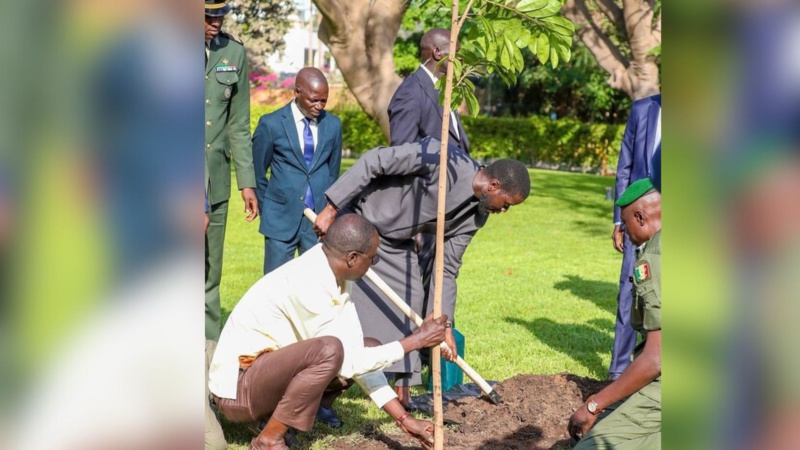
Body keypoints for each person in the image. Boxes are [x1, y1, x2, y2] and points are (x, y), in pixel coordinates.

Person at [313, 137, 530, 406]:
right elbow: (375, 160)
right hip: (360, 222)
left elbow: (447, 267)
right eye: (506, 203)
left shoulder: (478, 215)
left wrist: (444, 324)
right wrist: (331, 208)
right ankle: (321, 395)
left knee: (412, 305)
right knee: (337, 311)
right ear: (494, 186)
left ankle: (403, 393)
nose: (504, 210)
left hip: (395, 243)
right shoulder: (441, 157)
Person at [209, 215, 447, 450]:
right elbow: (347, 363)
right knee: (329, 351)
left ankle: (275, 419)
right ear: (352, 258)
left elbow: (356, 354)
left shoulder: (338, 277)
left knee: (368, 346)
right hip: (238, 391)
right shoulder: (307, 281)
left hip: (263, 376)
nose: (373, 264)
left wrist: (403, 419)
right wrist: (417, 340)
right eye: (372, 259)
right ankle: (268, 440)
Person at [569, 177, 661, 449]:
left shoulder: (656, 259)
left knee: (591, 446)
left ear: (641, 217)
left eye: (626, 221)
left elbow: (656, 359)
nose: (623, 230)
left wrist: (593, 405)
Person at [252, 67, 342, 275]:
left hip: (317, 223)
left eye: (324, 101)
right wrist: (269, 209)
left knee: (314, 285)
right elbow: (257, 172)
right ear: (297, 92)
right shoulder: (271, 124)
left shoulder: (333, 125)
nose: (319, 106)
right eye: (314, 100)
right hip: (280, 220)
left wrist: (327, 211)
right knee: (276, 286)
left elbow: (333, 173)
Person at [205, 0, 259, 342]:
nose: (216, 22)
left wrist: (247, 183)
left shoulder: (233, 53)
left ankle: (204, 370)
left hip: (217, 182)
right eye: (208, 15)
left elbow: (239, 124)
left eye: (220, 16)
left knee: (210, 277)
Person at [610, 93, 661, 379]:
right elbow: (624, 167)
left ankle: (652, 365)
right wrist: (620, 219)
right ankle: (618, 369)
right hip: (640, 217)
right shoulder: (643, 109)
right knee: (630, 286)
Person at [388, 27, 469, 153]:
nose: (461, 59)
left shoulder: (442, 90)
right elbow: (401, 154)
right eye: (457, 53)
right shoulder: (410, 92)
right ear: (437, 53)